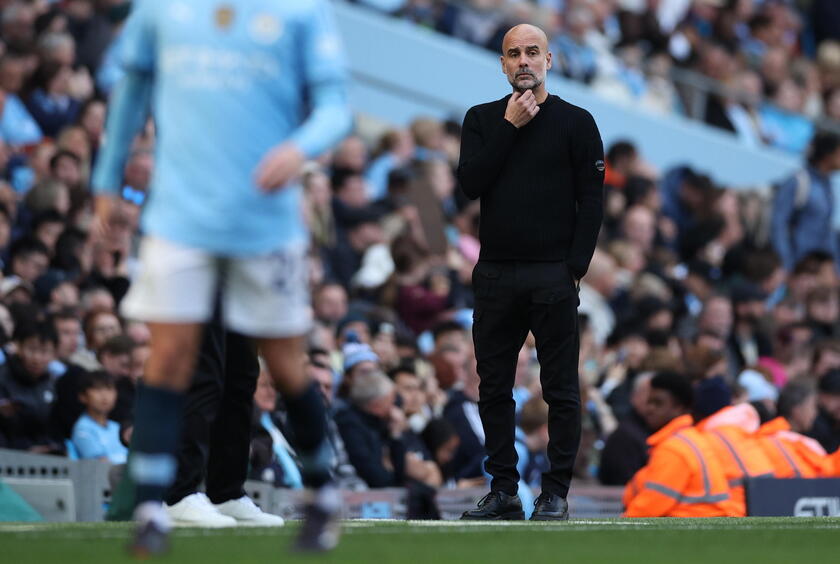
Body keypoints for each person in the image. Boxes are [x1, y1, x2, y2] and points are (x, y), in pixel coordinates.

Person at [90, 0, 352, 554]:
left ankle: (246, 490)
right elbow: (130, 93)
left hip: (265, 220)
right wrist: (106, 180)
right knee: (178, 360)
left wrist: (299, 148)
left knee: (264, 366)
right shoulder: (161, 11)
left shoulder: (301, 13)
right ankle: (168, 499)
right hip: (182, 217)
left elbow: (337, 109)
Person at [457, 23, 604, 521]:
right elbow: (470, 184)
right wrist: (509, 126)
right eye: (513, 53)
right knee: (494, 386)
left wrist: (574, 270)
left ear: (549, 60)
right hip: (496, 272)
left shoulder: (577, 122)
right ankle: (503, 490)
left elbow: (592, 202)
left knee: (560, 388)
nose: (523, 60)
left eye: (532, 52)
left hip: (552, 275)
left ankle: (555, 492)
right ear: (501, 64)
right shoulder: (481, 119)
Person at [623, 372, 737, 518]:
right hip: (705, 529)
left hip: (693, 533)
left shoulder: (674, 448)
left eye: (658, 403)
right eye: (649, 402)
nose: (650, 409)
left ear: (679, 408)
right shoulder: (689, 439)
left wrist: (615, 530)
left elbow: (648, 508)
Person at [771, 132, 840, 271]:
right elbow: (779, 223)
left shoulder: (827, 186)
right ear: (828, 154)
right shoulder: (798, 181)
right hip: (794, 265)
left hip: (814, 267)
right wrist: (786, 263)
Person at [71, 371, 129, 464]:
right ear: (83, 396)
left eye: (109, 389)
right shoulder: (82, 429)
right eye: (97, 389)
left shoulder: (117, 427)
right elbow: (101, 464)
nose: (105, 396)